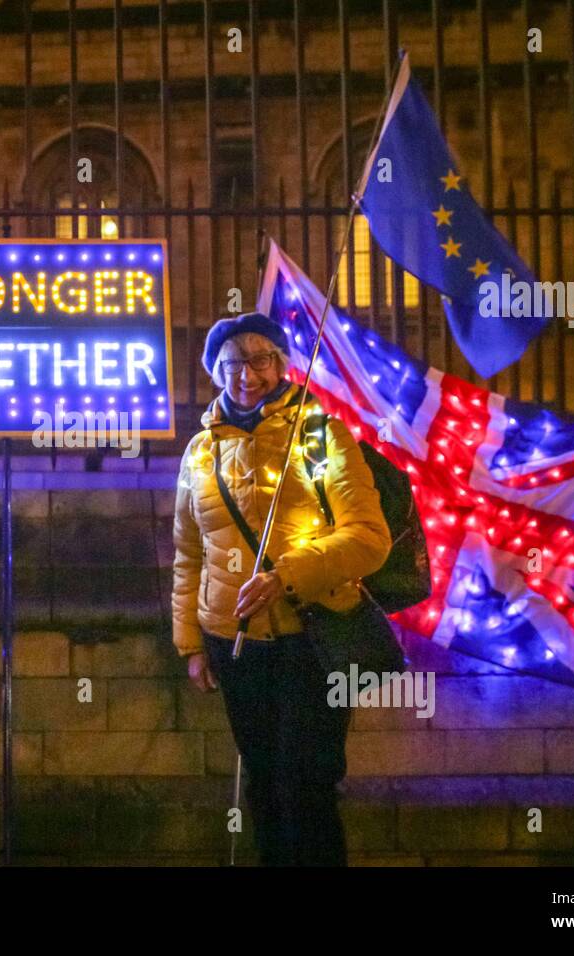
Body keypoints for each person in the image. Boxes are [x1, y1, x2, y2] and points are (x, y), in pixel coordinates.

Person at [171, 311, 392, 866]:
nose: (247, 374)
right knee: (265, 786)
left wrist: (286, 576)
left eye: (261, 358)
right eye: (232, 362)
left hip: (309, 641)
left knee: (307, 786)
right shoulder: (201, 452)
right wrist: (191, 645)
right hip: (234, 643)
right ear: (216, 371)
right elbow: (187, 554)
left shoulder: (321, 434)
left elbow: (369, 538)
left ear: (283, 363)